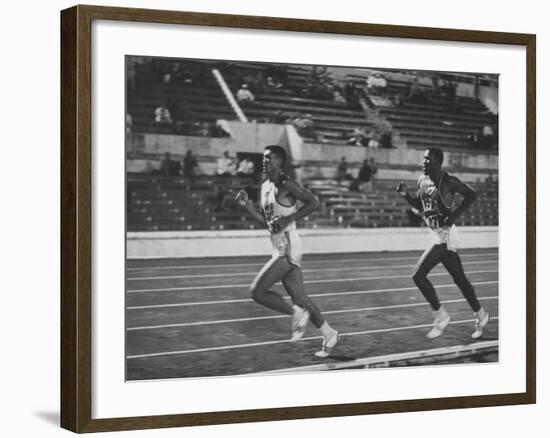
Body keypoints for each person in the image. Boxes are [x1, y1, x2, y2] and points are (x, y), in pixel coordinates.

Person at [234, 145, 339, 357]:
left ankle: (296, 314)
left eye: (269, 158)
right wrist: (247, 205)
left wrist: (290, 218)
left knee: (257, 292)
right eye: (263, 158)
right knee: (300, 298)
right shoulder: (264, 187)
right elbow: (268, 222)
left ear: (280, 161)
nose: (265, 161)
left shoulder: (286, 183)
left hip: (289, 247)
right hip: (278, 246)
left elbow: (313, 202)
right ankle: (330, 334)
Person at [396, 148, 490, 339]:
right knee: (460, 279)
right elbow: (420, 206)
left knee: (418, 275)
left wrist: (454, 215)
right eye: (423, 159)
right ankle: (481, 315)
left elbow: (471, 195)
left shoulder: (448, 181)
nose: (423, 162)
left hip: (446, 236)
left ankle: (441, 316)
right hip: (435, 234)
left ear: (438, 162)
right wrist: (406, 195)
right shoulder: (421, 181)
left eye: (427, 159)